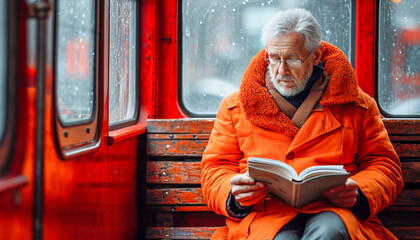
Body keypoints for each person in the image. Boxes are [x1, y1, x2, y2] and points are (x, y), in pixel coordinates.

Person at [201, 8, 403, 240]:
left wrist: (358, 192)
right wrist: (234, 194)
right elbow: (214, 169)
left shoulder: (357, 104)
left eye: (292, 59)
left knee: (331, 232)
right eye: (274, 58)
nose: (281, 70)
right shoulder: (235, 106)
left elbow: (385, 165)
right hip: (265, 215)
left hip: (336, 211)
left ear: (315, 56)